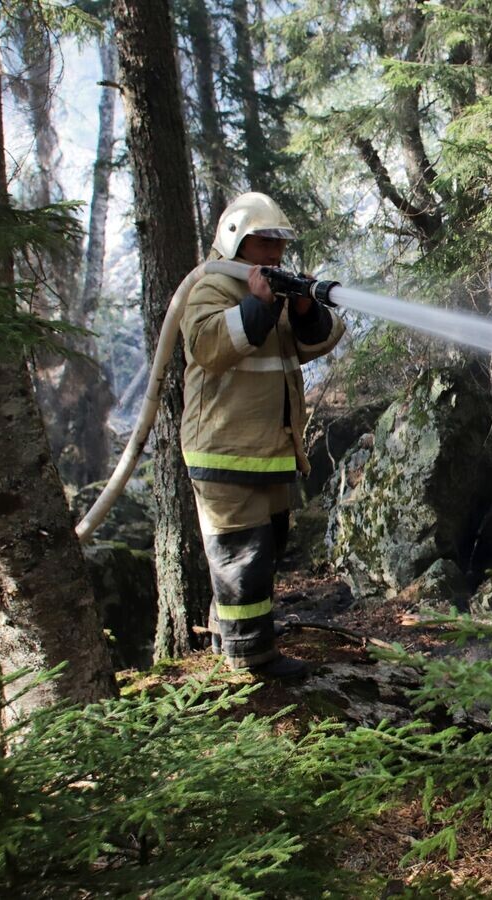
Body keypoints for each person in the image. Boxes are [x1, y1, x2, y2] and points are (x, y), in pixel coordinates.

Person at [180, 192, 344, 677]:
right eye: (263, 242)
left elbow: (319, 340)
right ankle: (251, 661)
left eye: (278, 243)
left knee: (263, 552)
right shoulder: (210, 290)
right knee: (241, 557)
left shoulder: (271, 293)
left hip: (268, 454)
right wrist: (258, 305)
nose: (274, 254)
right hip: (226, 452)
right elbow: (211, 345)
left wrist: (302, 308)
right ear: (236, 242)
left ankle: (229, 638)